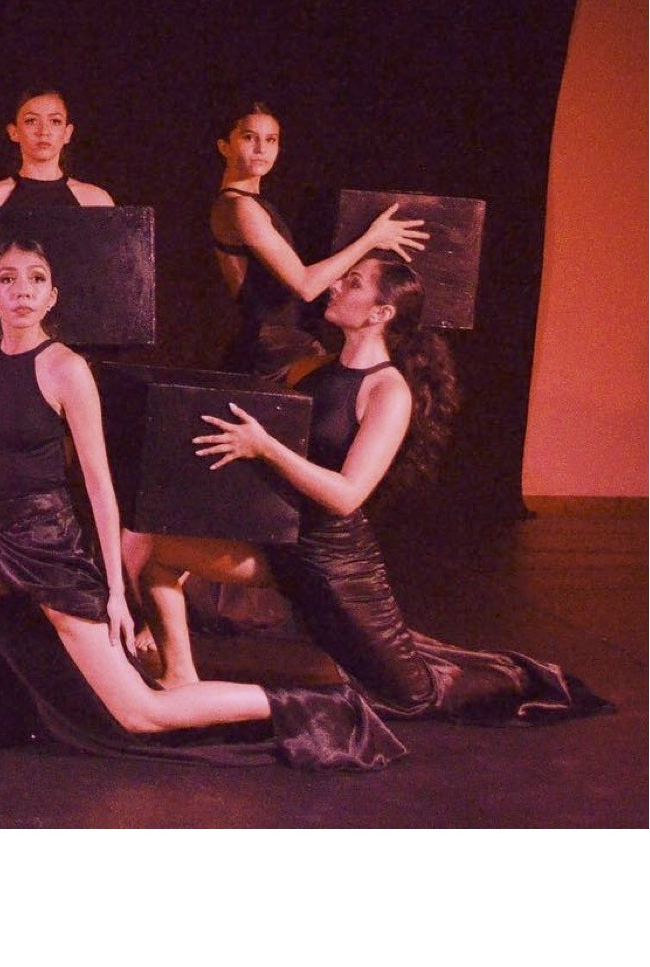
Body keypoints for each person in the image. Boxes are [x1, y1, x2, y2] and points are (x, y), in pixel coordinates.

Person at [0, 240, 406, 772]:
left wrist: (115, 591)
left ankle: (310, 704)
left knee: (142, 713)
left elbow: (99, 486)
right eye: (8, 280)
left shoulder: (66, 369)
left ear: (51, 297)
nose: (23, 291)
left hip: (49, 551)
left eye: (36, 280)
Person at [128, 255, 610, 723]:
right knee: (157, 552)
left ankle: (519, 681)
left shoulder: (388, 392)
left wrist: (265, 447)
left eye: (354, 282)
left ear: (381, 313)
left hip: (333, 564)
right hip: (282, 548)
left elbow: (346, 496)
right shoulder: (314, 371)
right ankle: (180, 677)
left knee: (410, 696)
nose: (336, 285)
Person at [211, 102, 426, 383]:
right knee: (376, 382)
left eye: (271, 139)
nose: (261, 148)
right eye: (249, 137)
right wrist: (373, 237)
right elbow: (305, 286)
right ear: (224, 146)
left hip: (287, 341)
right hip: (276, 349)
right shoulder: (240, 207)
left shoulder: (251, 204)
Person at [0, 89, 112, 228]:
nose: (43, 131)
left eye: (55, 121)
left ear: (67, 133)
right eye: (31, 121)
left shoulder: (95, 201)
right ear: (14, 132)